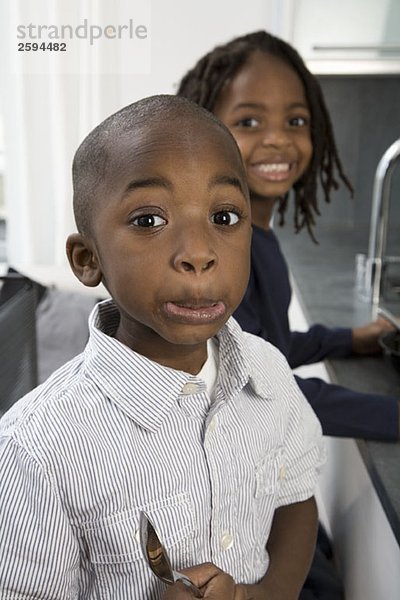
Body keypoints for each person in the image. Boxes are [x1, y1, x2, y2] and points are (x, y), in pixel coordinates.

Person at [0, 95, 325, 599]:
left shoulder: (269, 372)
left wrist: (257, 595)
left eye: (225, 217)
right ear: (89, 260)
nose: (199, 253)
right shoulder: (35, 452)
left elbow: (296, 503)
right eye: (150, 220)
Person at [177, 30, 399, 442]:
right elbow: (261, 390)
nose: (278, 139)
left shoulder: (254, 235)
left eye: (295, 121)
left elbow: (263, 349)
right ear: (202, 131)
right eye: (249, 122)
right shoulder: (213, 252)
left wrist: (345, 340)